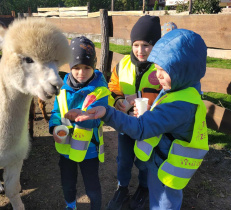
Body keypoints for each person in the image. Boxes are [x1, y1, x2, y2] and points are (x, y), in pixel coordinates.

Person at [65, 29, 209, 210]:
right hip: (163, 159)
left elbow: (141, 128)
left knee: (163, 204)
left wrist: (107, 113)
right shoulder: (183, 88)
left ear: (183, 69)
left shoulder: (180, 105)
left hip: (169, 170)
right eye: (157, 69)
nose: (158, 76)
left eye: (163, 71)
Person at [49, 36, 110, 210]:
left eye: (86, 67)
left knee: (92, 186)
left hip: (89, 149)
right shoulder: (61, 88)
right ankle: (70, 205)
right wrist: (54, 127)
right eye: (76, 67)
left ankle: (95, 207)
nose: (81, 72)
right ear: (70, 66)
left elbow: (98, 119)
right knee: (68, 182)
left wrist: (83, 117)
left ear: (94, 66)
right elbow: (55, 112)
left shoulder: (100, 90)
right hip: (66, 147)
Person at [107, 15, 161, 210]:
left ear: (155, 44)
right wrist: (119, 100)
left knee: (145, 160)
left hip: (149, 127)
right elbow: (113, 87)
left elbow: (167, 96)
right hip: (126, 124)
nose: (140, 50)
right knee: (124, 158)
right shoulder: (122, 65)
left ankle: (144, 188)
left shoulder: (161, 68)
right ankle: (122, 188)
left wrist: (151, 108)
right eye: (136, 45)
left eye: (146, 45)